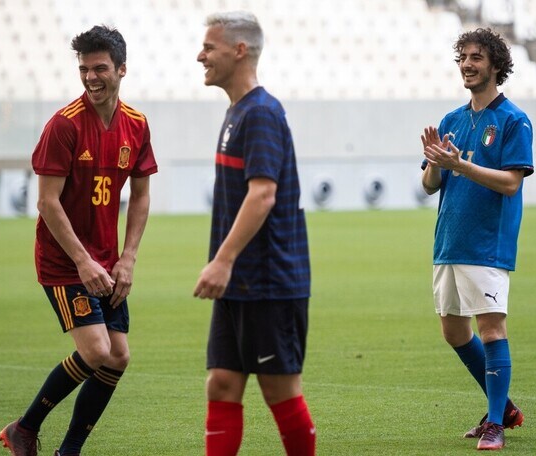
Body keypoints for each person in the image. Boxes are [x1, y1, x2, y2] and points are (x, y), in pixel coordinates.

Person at [0, 25, 157, 456]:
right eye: (84, 68)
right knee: (98, 349)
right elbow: (48, 203)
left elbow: (140, 195)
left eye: (99, 67)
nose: (90, 77)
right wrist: (85, 262)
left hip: (108, 262)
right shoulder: (63, 126)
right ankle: (24, 429)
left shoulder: (137, 125)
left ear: (121, 69)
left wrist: (128, 258)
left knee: (118, 356)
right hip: (65, 262)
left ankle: (68, 450)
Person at [193, 11, 315, 456]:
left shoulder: (261, 113)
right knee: (222, 383)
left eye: (210, 47)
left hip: (268, 281)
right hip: (239, 284)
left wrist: (222, 260)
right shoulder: (238, 112)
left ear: (239, 50)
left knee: (280, 391)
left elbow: (263, 195)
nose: (200, 55)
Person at [420, 28, 533, 451]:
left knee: (490, 328)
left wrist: (461, 166)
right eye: (463, 57)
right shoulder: (452, 120)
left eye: (476, 58)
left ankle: (497, 425)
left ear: (496, 66)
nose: (467, 64)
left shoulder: (513, 120)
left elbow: (510, 184)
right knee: (453, 331)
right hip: (449, 240)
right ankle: (503, 408)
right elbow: (431, 185)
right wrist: (436, 163)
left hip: (487, 242)